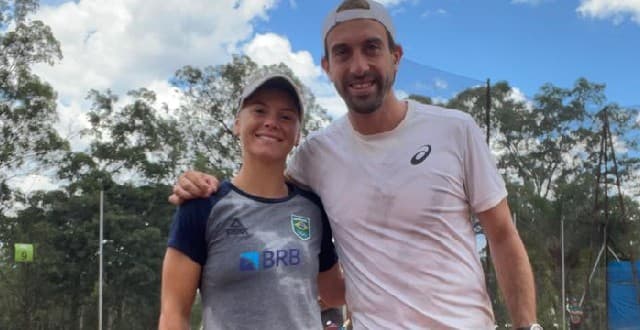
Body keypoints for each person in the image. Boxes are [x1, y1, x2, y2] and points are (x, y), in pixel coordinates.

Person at [169, 0, 540, 329]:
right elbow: (260, 185)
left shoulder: (456, 130)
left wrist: (528, 326)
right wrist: (203, 185)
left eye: (371, 48)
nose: (359, 65)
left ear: (395, 56)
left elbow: (503, 235)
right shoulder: (315, 154)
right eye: (343, 53)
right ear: (327, 67)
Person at [158, 72, 345, 330]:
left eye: (286, 116)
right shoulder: (202, 206)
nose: (271, 122)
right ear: (237, 124)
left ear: (298, 134)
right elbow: (173, 315)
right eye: (259, 111)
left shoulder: (312, 209)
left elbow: (335, 293)